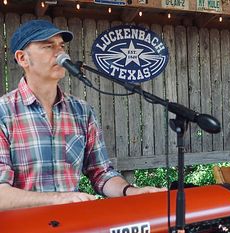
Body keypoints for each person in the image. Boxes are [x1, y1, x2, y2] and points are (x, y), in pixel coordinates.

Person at [0, 19, 166, 211]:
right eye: (48, 46)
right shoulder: (4, 112)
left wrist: (130, 191)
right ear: (22, 58)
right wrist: (57, 199)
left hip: (73, 224)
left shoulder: (81, 111)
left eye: (61, 46)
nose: (60, 52)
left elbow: (101, 173)